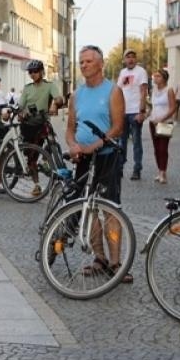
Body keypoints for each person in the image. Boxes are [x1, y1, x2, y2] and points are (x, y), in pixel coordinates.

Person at [64, 46, 127, 278]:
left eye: (89, 61)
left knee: (110, 209)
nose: (84, 65)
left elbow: (118, 128)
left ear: (101, 64)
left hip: (107, 156)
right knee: (88, 208)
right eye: (81, 62)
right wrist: (73, 145)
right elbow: (70, 129)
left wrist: (94, 146)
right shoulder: (76, 95)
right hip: (82, 159)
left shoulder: (113, 91)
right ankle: (100, 258)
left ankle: (116, 264)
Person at [17, 59, 63, 199]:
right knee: (31, 158)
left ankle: (46, 160)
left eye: (35, 71)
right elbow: (20, 106)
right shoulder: (27, 88)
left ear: (42, 72)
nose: (33, 74)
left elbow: (59, 99)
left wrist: (55, 103)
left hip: (42, 123)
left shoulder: (49, 86)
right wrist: (21, 113)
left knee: (50, 138)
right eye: (30, 72)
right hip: (27, 125)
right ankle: (36, 184)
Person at [116, 50, 150, 180]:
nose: (130, 59)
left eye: (133, 57)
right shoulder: (123, 73)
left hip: (135, 111)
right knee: (121, 142)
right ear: (124, 60)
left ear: (136, 59)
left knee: (136, 142)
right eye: (128, 57)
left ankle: (137, 169)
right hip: (123, 112)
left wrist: (142, 111)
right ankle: (119, 167)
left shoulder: (141, 72)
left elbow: (143, 92)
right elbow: (119, 91)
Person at [147, 68, 178, 185]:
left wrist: (162, 119)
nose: (155, 78)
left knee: (163, 148)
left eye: (158, 76)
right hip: (153, 122)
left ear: (164, 78)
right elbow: (153, 107)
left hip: (165, 123)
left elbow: (173, 108)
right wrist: (146, 115)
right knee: (156, 148)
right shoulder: (153, 90)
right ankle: (159, 170)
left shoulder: (169, 90)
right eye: (154, 76)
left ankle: (163, 172)